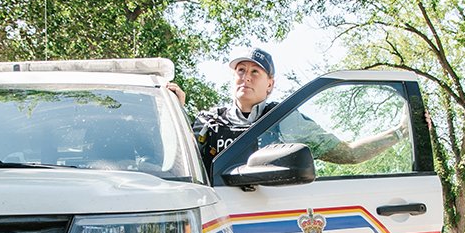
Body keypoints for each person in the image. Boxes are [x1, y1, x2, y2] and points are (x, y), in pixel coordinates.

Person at [166, 48, 406, 165]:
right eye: (241, 71)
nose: (246, 77)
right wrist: (172, 112)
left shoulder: (285, 119)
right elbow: (176, 163)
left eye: (255, 72)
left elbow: (349, 154)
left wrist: (401, 132)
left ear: (270, 84)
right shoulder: (208, 121)